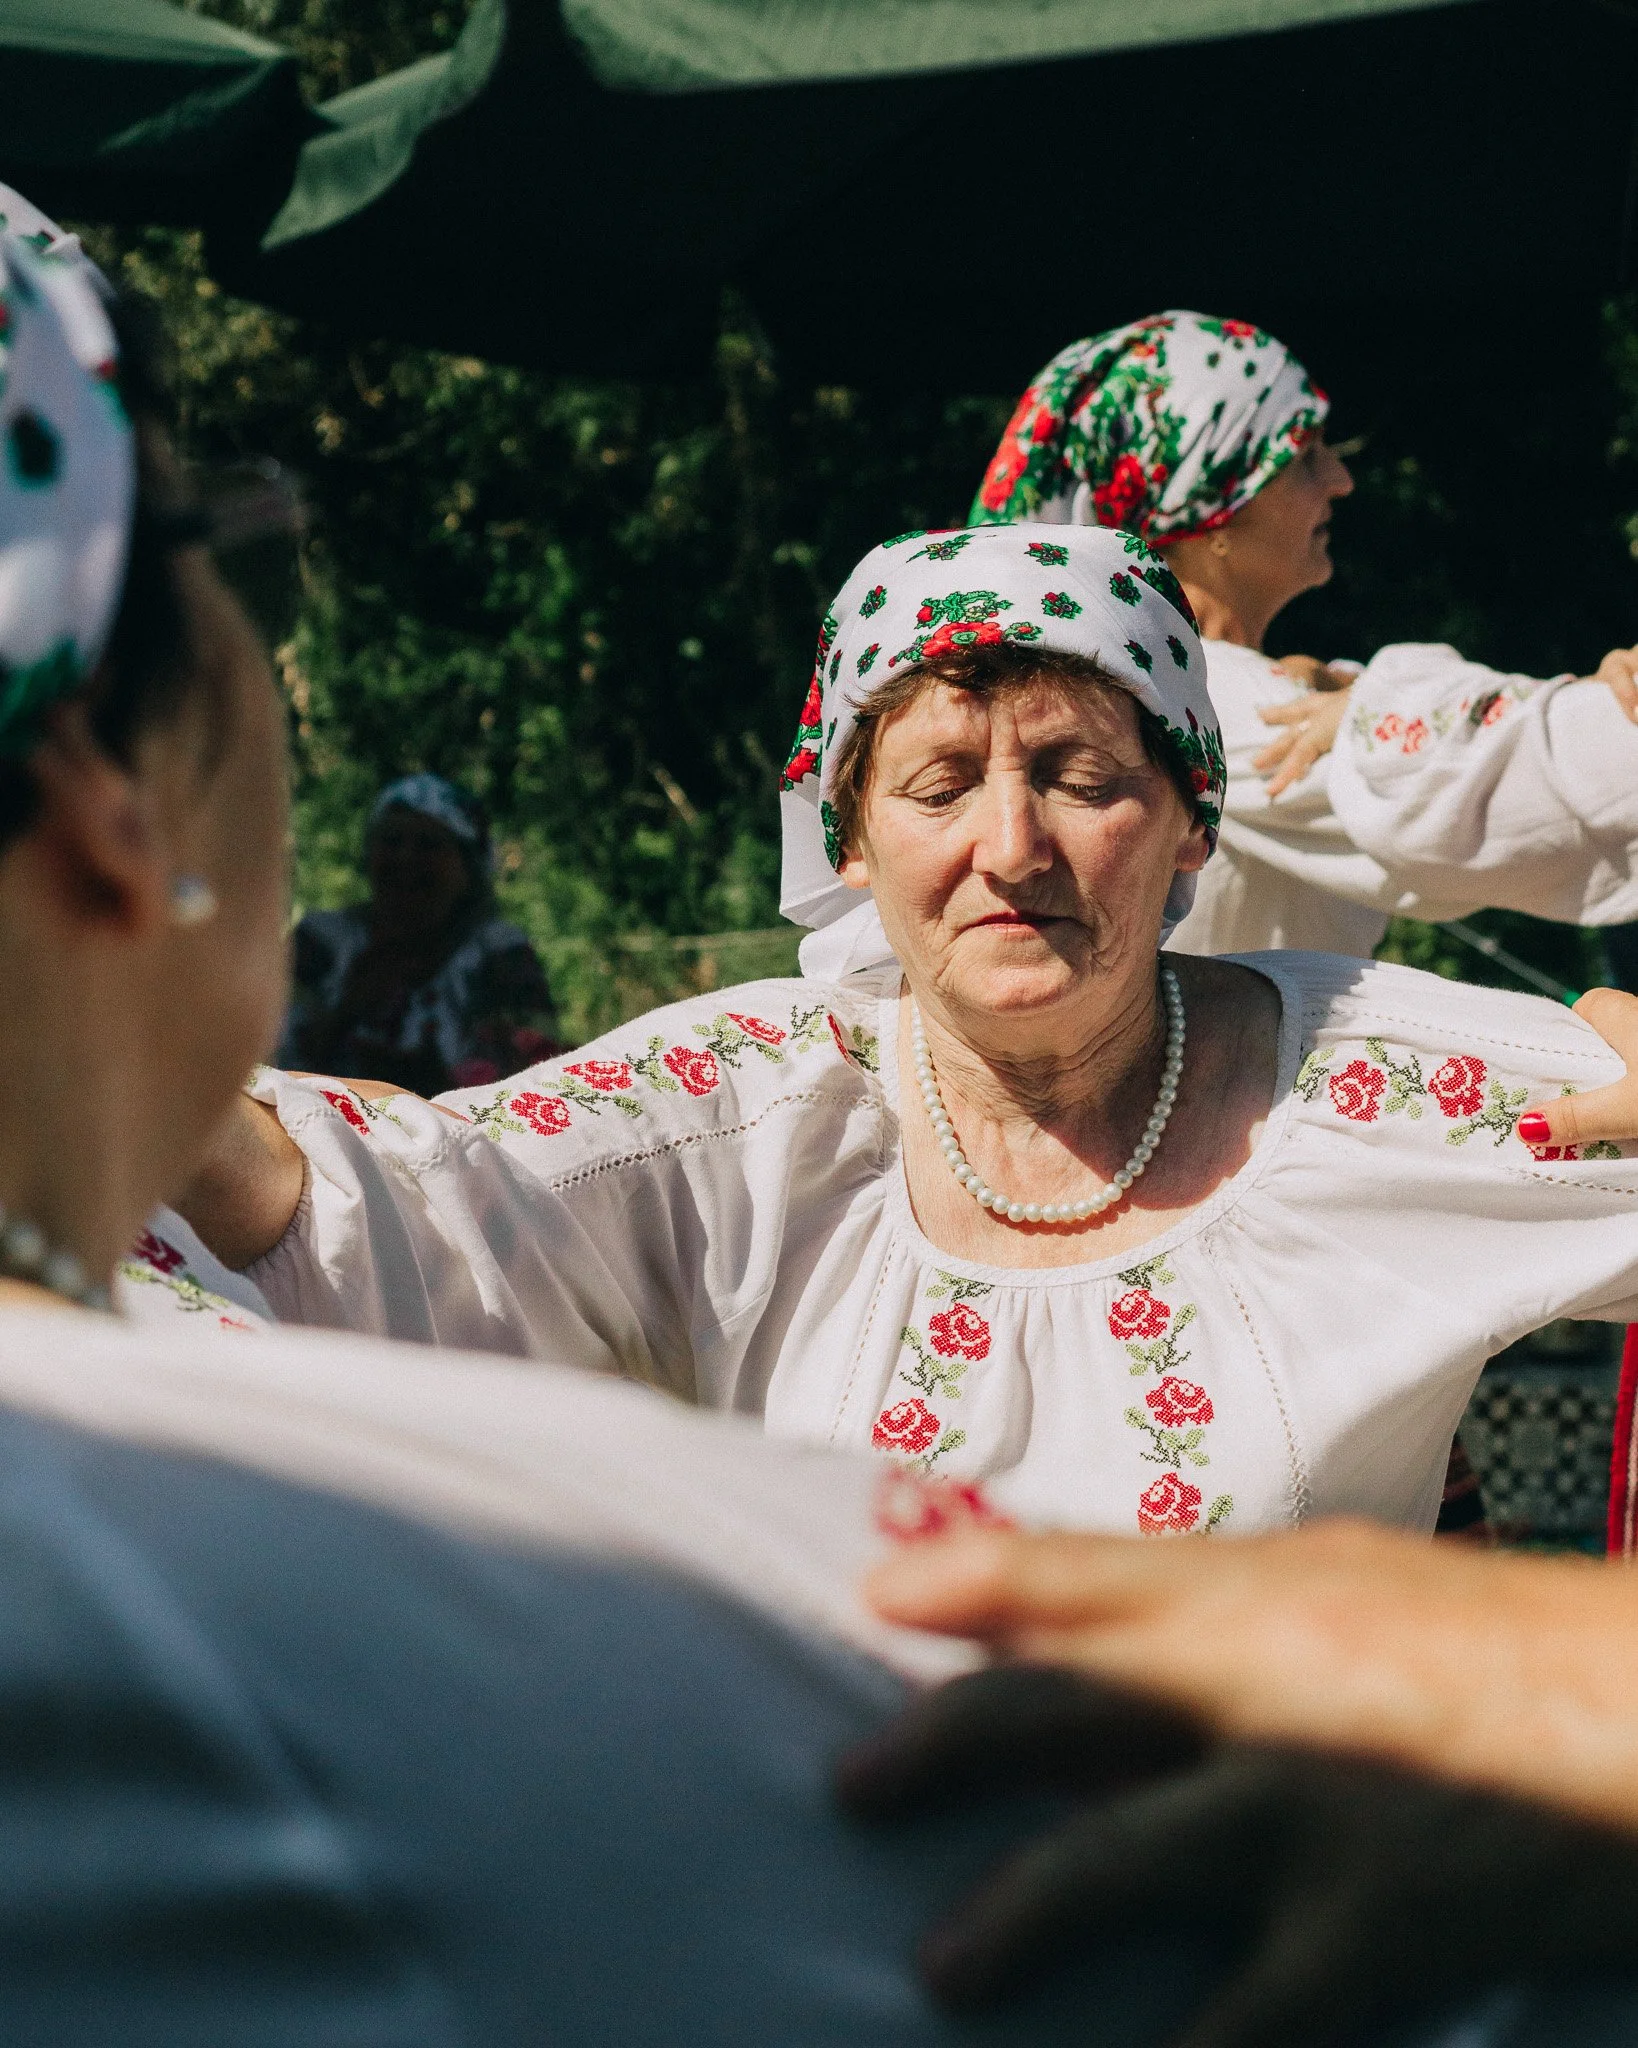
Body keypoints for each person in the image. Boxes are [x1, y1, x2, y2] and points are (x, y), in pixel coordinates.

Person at [177, 521, 1638, 1542]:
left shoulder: (1372, 1085)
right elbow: (402, 1208)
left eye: (1077, 774)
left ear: (1191, 822)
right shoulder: (750, 1111)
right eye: (940, 787)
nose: (1011, 847)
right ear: (855, 846)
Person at [970, 310, 1638, 955]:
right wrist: (1612, 712)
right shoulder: (1188, 702)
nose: (1341, 481)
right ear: (1214, 513)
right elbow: (1489, 784)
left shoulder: (1245, 689)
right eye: (1304, 458)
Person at [278, 771, 562, 1095]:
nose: (405, 858)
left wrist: (431, 1082)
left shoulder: (497, 953)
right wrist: (343, 1015)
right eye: (392, 841)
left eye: (428, 844)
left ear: (468, 867)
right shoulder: (322, 941)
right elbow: (262, 1057)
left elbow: (535, 1075)